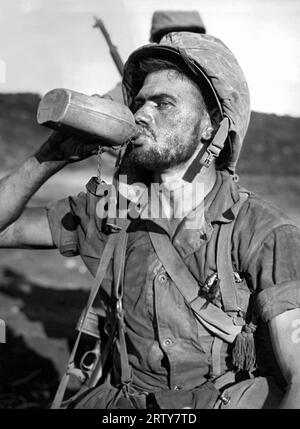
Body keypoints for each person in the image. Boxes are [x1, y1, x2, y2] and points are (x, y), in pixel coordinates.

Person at [1, 32, 300, 409]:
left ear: (212, 126)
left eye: (164, 103)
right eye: (140, 102)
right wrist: (49, 157)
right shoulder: (110, 214)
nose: (141, 114)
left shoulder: (261, 232)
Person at [106, 10, 206, 103]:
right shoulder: (142, 81)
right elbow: (115, 98)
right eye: (169, 37)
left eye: (188, 37)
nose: (179, 44)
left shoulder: (213, 76)